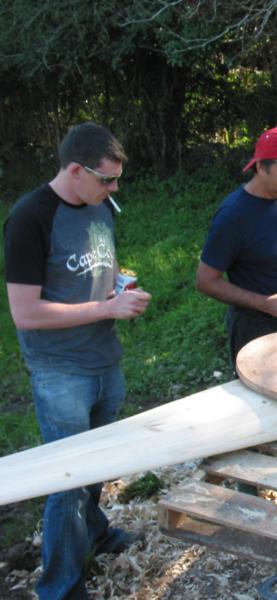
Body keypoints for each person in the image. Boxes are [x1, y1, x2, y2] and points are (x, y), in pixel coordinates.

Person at [3, 122, 152, 599]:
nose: (114, 190)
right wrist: (106, 309)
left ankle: (96, 533)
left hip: (104, 357)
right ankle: (60, 588)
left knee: (96, 463)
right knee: (67, 480)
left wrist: (119, 291)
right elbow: (25, 314)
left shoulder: (100, 205)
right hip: (60, 371)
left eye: (117, 180)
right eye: (107, 179)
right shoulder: (30, 218)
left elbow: (94, 270)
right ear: (74, 170)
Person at [196, 127, 277, 368]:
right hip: (255, 328)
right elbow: (205, 281)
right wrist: (266, 303)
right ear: (260, 167)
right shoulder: (233, 216)